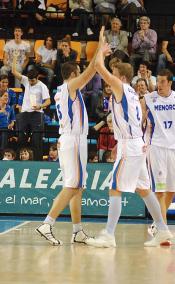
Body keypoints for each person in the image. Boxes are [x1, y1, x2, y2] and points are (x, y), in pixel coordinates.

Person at [86, 27, 172, 248]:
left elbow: (97, 67)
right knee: (144, 189)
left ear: (121, 77)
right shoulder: (131, 91)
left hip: (131, 147)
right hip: (134, 144)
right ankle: (162, 230)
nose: (110, 79)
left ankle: (109, 235)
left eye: (113, 74)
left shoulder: (121, 87)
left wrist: (100, 47)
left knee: (115, 187)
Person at [35, 41, 108, 246]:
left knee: (78, 187)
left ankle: (77, 231)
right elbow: (91, 72)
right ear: (74, 73)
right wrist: (99, 53)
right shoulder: (69, 87)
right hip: (73, 140)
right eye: (79, 72)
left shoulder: (62, 90)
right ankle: (47, 224)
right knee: (71, 186)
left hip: (71, 140)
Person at [143, 69, 175, 237]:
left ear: (170, 82)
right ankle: (163, 230)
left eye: (162, 82)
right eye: (158, 82)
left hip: (174, 149)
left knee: (172, 190)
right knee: (160, 191)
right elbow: (140, 122)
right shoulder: (148, 99)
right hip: (156, 148)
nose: (159, 85)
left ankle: (157, 222)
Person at [12, 52, 51, 161]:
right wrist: (15, 58)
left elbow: (48, 101)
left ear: (37, 77)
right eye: (29, 80)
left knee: (36, 140)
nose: (30, 82)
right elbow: (14, 72)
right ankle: (20, 161)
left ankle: (37, 162)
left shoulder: (42, 86)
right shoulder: (26, 80)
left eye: (32, 80)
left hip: (37, 114)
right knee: (21, 139)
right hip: (24, 114)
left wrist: (40, 106)